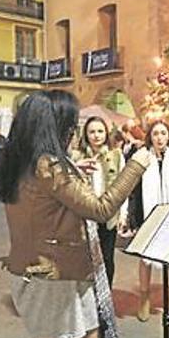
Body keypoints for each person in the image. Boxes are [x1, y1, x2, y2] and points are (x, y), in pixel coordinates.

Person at [0, 89, 152, 338]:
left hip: (30, 275)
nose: (72, 130)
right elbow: (102, 209)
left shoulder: (20, 163)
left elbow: (51, 200)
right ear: (54, 125)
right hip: (62, 278)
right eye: (68, 122)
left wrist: (73, 172)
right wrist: (136, 166)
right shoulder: (51, 166)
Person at [127, 121, 169, 322]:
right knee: (145, 258)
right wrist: (134, 219)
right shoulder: (143, 157)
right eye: (156, 134)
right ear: (150, 137)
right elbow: (134, 190)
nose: (160, 137)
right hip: (148, 214)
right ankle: (144, 300)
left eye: (163, 133)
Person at [72, 116, 128, 286]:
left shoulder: (116, 155)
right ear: (85, 134)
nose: (96, 135)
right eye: (92, 132)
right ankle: (88, 300)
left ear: (106, 133)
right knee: (85, 260)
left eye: (100, 131)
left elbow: (123, 187)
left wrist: (123, 214)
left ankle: (106, 297)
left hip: (108, 215)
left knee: (107, 258)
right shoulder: (76, 157)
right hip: (84, 216)